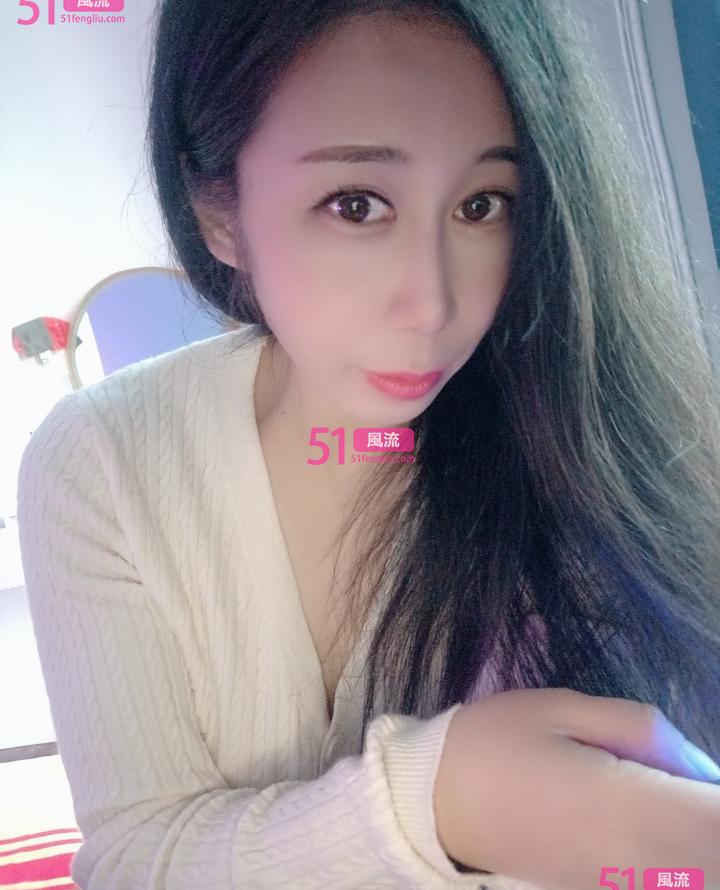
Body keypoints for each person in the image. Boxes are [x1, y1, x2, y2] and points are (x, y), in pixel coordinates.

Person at [16, 0, 720, 888]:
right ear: (219, 209)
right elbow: (132, 860)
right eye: (356, 205)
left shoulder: (588, 448)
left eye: (482, 204)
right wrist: (439, 804)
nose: (433, 303)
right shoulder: (105, 461)